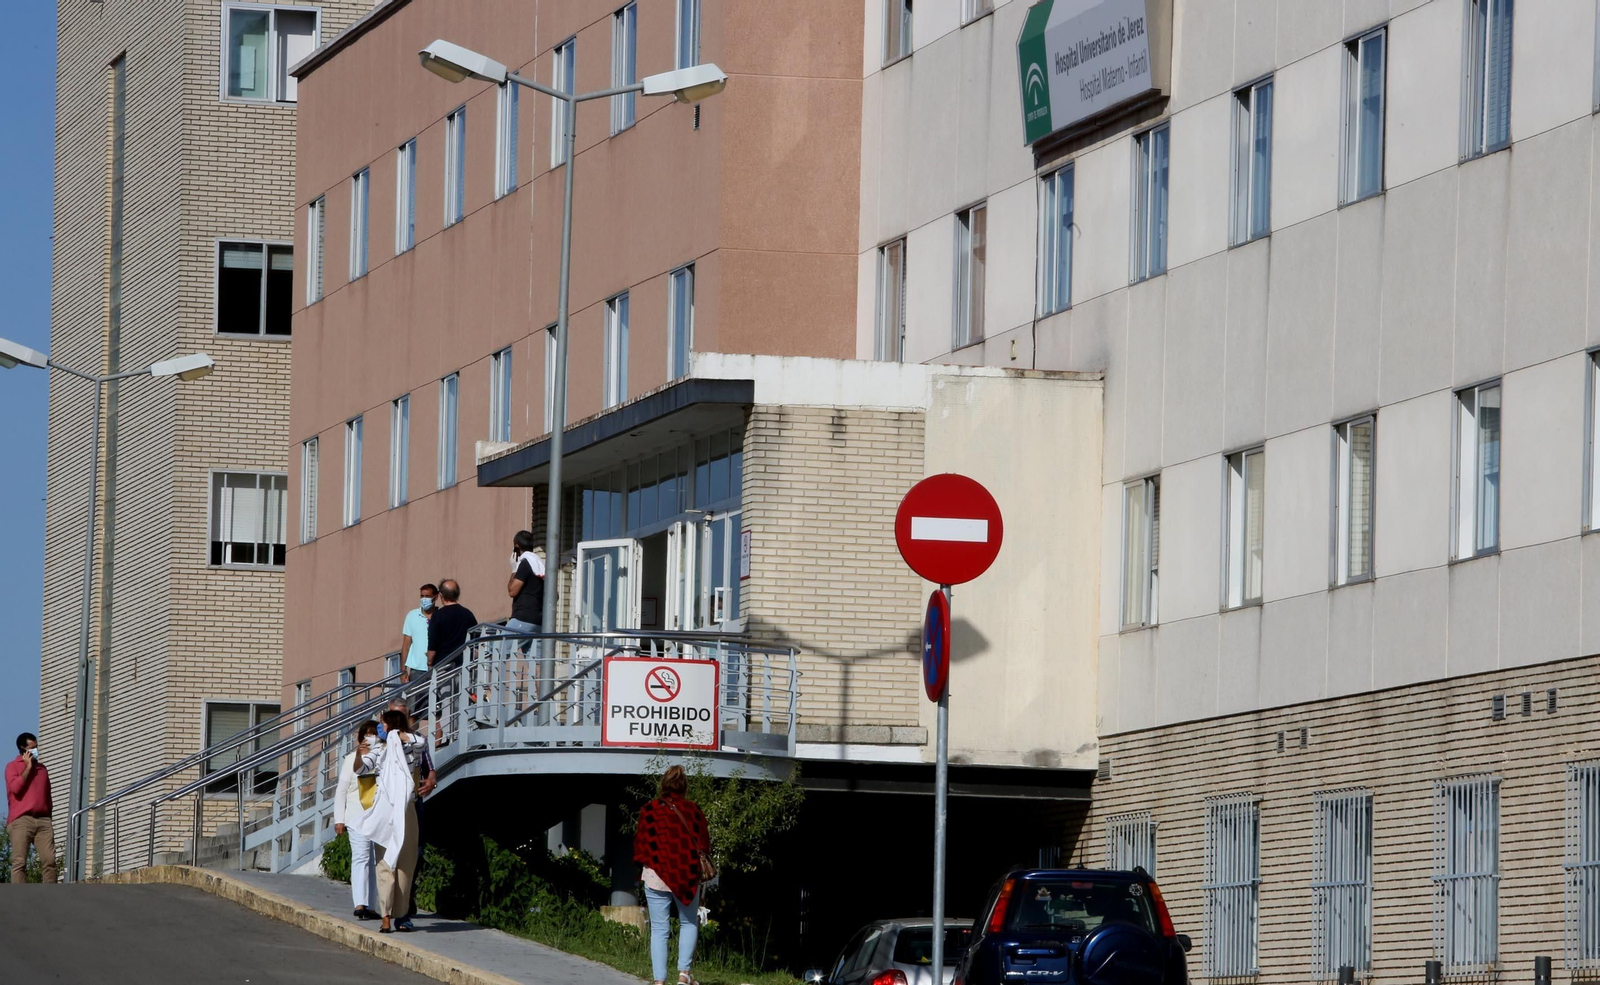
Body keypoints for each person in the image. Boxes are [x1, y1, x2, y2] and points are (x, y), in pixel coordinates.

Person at [633, 765, 711, 985]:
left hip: (656, 875)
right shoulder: (694, 810)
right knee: (688, 923)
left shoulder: (650, 810)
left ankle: (659, 981)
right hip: (686, 874)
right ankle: (683, 975)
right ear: (684, 786)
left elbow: (641, 843)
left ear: (663, 785)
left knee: (659, 929)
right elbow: (704, 844)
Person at [356, 709, 425, 933]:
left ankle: (402, 915)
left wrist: (396, 735)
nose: (379, 728)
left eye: (382, 724)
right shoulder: (378, 747)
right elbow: (362, 768)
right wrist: (361, 752)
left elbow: (420, 742)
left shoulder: (409, 745)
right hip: (385, 810)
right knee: (385, 864)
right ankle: (385, 915)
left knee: (405, 865)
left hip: (406, 809)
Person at [387, 697, 435, 925]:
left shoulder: (417, 740)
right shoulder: (379, 739)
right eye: (392, 716)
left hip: (411, 804)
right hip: (386, 807)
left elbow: (429, 767)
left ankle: (403, 909)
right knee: (388, 860)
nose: (397, 721)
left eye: (401, 716)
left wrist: (431, 779)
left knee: (412, 855)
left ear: (409, 717)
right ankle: (389, 911)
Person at [333, 721, 381, 919]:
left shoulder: (382, 758)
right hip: (356, 815)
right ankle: (360, 903)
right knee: (361, 857)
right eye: (366, 736)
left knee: (375, 861)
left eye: (373, 735)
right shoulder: (351, 759)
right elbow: (342, 790)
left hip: (377, 816)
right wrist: (339, 819)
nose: (369, 740)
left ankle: (371, 904)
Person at [5, 734, 55, 885]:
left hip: (43, 819)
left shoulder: (42, 769)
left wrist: (49, 816)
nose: (36, 750)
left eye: (36, 747)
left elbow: (47, 795)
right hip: (22, 819)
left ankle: (53, 896)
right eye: (32, 748)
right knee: (19, 861)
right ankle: (20, 898)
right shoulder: (12, 767)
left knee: (49, 860)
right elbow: (16, 788)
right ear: (23, 749)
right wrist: (27, 767)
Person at [425, 579, 477, 671]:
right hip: (464, 666)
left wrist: (429, 663)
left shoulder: (438, 615)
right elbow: (476, 640)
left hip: (443, 667)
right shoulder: (467, 614)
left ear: (441, 595)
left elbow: (433, 643)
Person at [400, 584, 438, 684]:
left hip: (438, 667)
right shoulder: (412, 616)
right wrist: (403, 670)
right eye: (422, 596)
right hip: (417, 670)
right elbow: (406, 645)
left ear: (436, 597)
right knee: (415, 699)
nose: (424, 599)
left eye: (428, 596)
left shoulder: (441, 616)